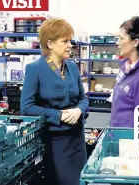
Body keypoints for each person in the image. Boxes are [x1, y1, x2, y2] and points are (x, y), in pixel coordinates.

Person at [20, 18, 89, 185]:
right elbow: (27, 107)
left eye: (70, 40)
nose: (70, 45)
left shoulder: (72, 67)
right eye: (65, 41)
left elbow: (83, 99)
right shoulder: (35, 69)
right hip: (55, 141)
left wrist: (79, 110)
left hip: (77, 139)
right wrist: (58, 115)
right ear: (50, 44)